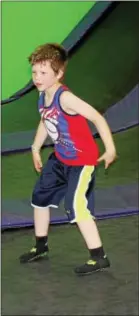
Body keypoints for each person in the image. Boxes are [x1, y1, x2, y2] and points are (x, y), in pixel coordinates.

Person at [20, 43, 117, 276]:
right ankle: (40, 246)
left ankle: (99, 256)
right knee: (39, 198)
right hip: (60, 158)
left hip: (81, 162)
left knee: (75, 206)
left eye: (43, 73)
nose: (37, 78)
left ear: (59, 73)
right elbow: (45, 119)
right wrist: (35, 147)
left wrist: (110, 148)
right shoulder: (43, 95)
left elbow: (97, 117)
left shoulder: (67, 99)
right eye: (34, 72)